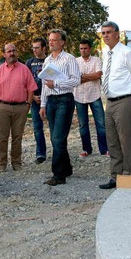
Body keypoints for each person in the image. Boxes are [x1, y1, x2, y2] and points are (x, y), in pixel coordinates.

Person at [98, 21, 131, 190]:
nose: (105, 35)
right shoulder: (106, 53)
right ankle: (115, 177)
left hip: (125, 100)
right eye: (103, 33)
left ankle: (130, 179)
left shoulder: (127, 53)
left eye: (109, 32)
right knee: (112, 142)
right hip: (110, 102)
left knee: (127, 142)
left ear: (117, 34)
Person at [39, 30, 81, 186]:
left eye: (54, 40)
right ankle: (67, 168)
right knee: (56, 138)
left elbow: (76, 80)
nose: (51, 43)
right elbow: (44, 84)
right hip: (51, 101)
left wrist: (56, 84)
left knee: (58, 138)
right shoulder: (47, 60)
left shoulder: (69, 59)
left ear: (62, 42)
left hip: (64, 100)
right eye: (49, 40)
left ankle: (58, 175)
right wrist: (43, 104)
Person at [0, 43, 37, 172]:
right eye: (8, 51)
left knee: (17, 137)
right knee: (2, 137)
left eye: (13, 50)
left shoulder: (24, 69)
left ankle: (16, 163)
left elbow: (31, 88)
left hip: (21, 107)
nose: (11, 53)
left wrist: (28, 104)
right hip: (2, 107)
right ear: (4, 54)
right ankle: (1, 164)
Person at [74, 39, 108, 157]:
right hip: (79, 97)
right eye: (81, 48)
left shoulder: (97, 60)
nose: (83, 50)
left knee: (101, 123)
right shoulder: (75, 61)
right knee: (83, 125)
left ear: (90, 49)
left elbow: (98, 75)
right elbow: (75, 79)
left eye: (85, 48)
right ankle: (86, 149)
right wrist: (89, 77)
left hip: (94, 96)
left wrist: (82, 76)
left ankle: (104, 150)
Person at [25, 38, 47, 164]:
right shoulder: (29, 62)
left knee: (55, 127)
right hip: (35, 99)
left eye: (37, 47)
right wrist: (32, 96)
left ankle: (58, 152)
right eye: (33, 47)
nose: (34, 50)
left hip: (49, 99)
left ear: (44, 48)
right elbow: (26, 82)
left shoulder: (49, 60)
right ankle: (40, 154)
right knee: (37, 128)